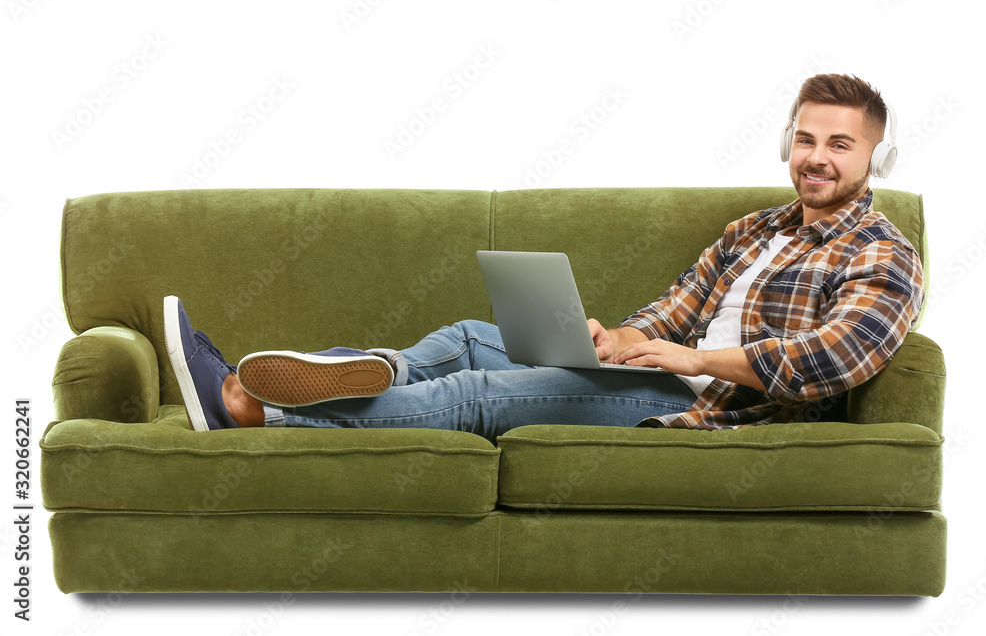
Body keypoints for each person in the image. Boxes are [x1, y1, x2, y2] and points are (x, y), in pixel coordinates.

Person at [165, 73, 924, 441]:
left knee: (483, 392)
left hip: (697, 404)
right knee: (468, 334)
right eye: (806, 138)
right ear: (786, 142)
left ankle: (253, 406)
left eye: (839, 144)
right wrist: (622, 339)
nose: (816, 157)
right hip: (654, 369)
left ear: (873, 159)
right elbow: (679, 305)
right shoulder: (753, 229)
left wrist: (679, 360)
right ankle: (350, 368)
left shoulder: (883, 254)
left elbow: (826, 361)